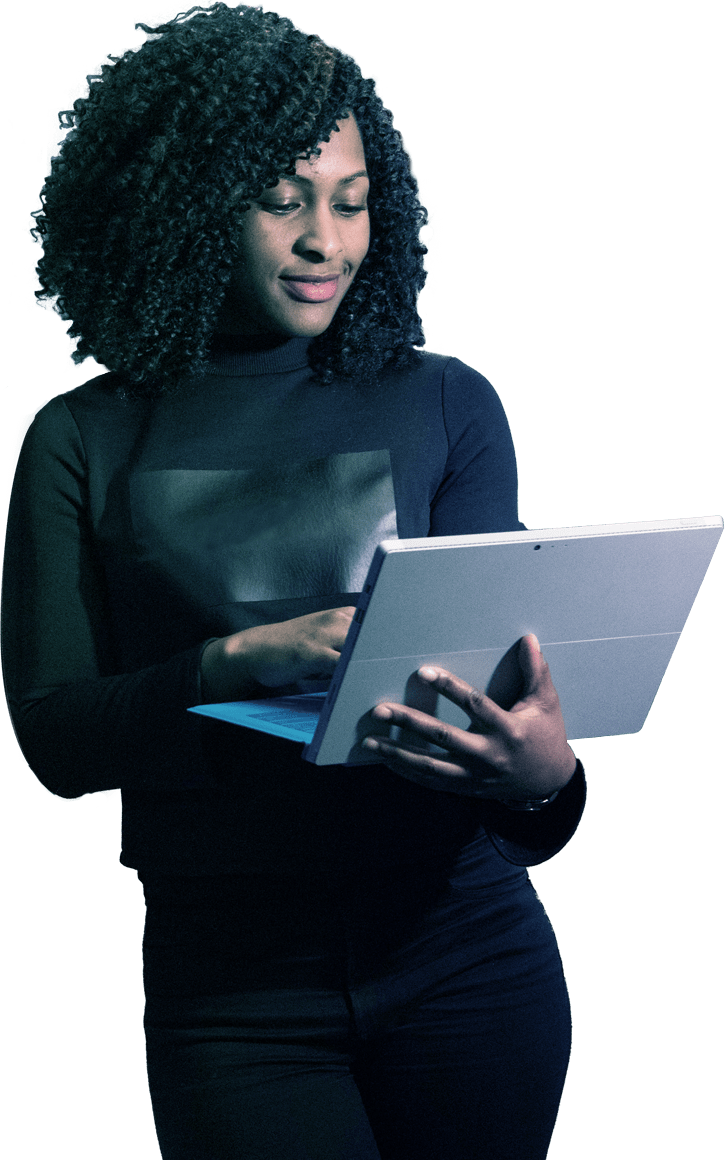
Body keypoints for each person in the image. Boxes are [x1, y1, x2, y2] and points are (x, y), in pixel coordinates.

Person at [4, 4, 586, 1157]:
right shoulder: (78, 436)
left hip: (466, 951)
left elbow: (500, 695)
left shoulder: (445, 401)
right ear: (182, 204)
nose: (326, 238)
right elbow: (58, 738)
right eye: (281, 201)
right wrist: (229, 665)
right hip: (234, 994)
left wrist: (542, 777)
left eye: (353, 198)